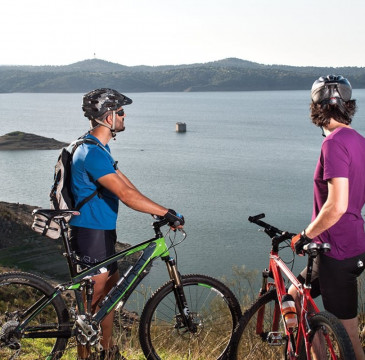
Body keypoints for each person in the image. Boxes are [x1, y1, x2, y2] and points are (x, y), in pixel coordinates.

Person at [69, 88, 184, 360]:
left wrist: (157, 209)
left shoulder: (98, 148)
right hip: (91, 235)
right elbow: (126, 195)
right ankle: (84, 357)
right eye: (120, 111)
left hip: (103, 233)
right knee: (90, 309)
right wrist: (165, 212)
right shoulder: (92, 154)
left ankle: (108, 353)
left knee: (106, 302)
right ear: (108, 117)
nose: (124, 115)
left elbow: (126, 184)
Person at [290, 75, 365, 359]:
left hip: (336, 252)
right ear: (347, 106)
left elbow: (336, 206)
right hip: (346, 245)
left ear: (315, 108)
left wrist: (306, 234)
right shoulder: (360, 141)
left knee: (349, 339)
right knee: (295, 296)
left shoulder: (333, 144)